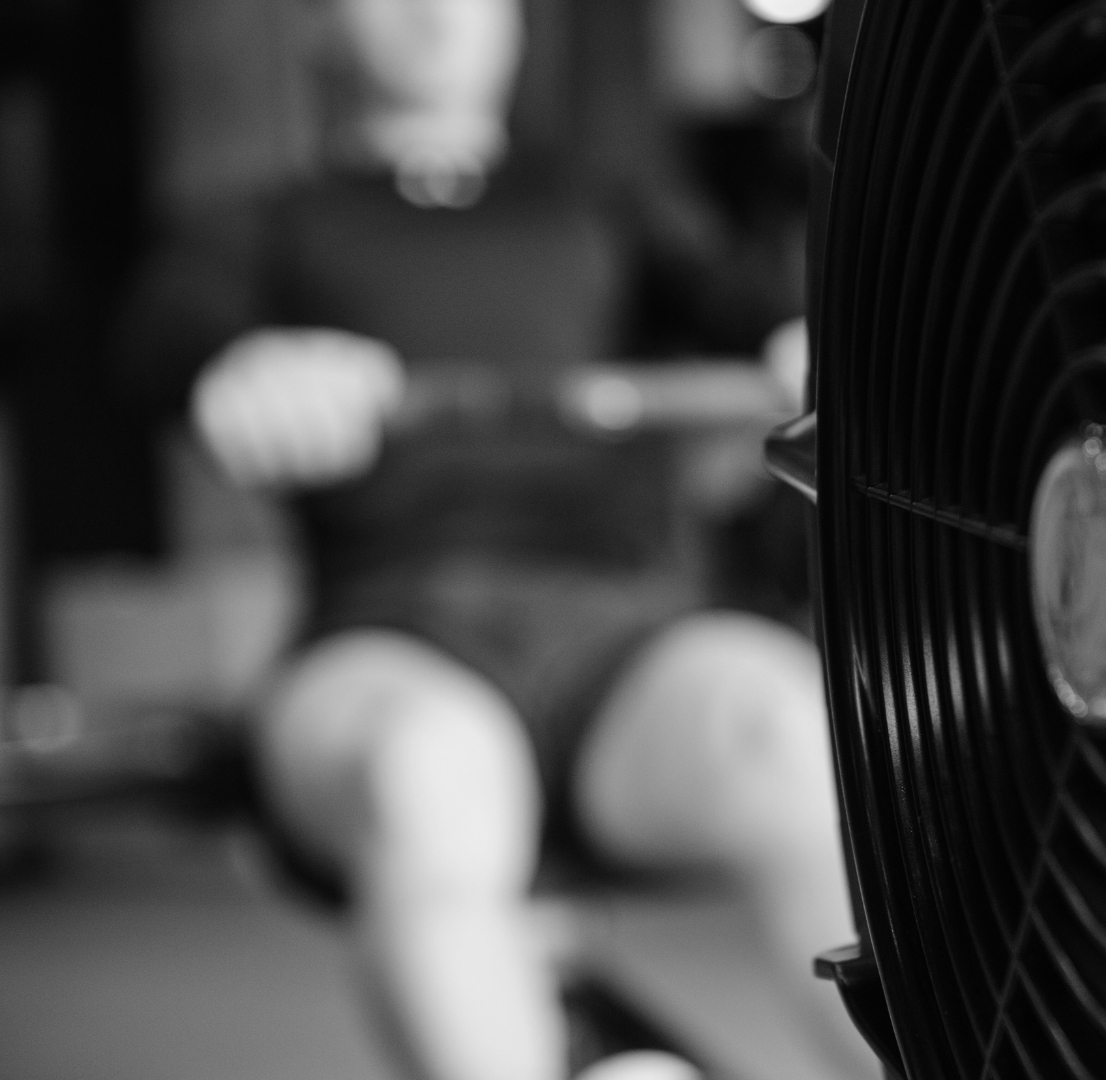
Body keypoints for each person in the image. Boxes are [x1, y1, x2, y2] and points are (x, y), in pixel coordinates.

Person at [118, 1, 864, 1079]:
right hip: (393, 635)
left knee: (792, 726)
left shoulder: (600, 199)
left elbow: (747, 303)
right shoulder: (270, 218)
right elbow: (164, 333)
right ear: (322, 28)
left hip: (626, 640)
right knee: (426, 777)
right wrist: (236, 369)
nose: (436, 12)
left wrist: (798, 338)